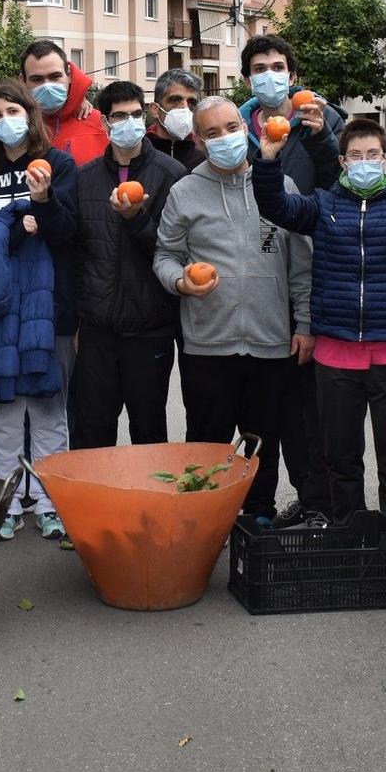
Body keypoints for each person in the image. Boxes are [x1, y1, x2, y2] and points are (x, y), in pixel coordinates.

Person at [254, 116, 386, 574]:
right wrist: (269, 159)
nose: (365, 163)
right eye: (355, 156)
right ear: (342, 162)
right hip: (336, 352)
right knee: (341, 456)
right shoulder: (322, 205)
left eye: (373, 154)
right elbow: (275, 205)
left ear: (385, 157)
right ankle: (347, 535)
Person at [152, 96, 312, 524]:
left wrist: (305, 324)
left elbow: (301, 266)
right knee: (207, 440)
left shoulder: (281, 186)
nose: (224, 138)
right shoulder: (184, 191)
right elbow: (165, 255)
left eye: (230, 127)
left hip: (271, 339)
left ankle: (258, 512)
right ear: (199, 141)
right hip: (208, 342)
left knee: (262, 439)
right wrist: (180, 280)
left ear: (247, 128)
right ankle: (202, 518)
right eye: (212, 132)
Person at [0, 81, 81, 541]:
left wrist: (45, 203)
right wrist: (15, 228)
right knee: (6, 414)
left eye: (13, 110)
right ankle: (10, 501)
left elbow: (69, 232)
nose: (4, 120)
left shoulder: (58, 164)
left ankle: (51, 502)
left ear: (30, 115)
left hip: (48, 307)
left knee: (50, 411)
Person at [237, 35, 341, 526]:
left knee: (305, 410)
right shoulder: (234, 127)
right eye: (259, 67)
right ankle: (256, 506)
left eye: (278, 65)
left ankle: (315, 502)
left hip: (307, 277)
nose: (269, 74)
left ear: (293, 75)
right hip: (253, 282)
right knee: (259, 407)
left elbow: (336, 189)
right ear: (247, 78)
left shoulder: (321, 120)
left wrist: (321, 137)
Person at [72, 80, 186, 448]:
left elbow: (175, 251)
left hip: (149, 325)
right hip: (97, 329)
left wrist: (136, 219)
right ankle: (96, 506)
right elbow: (78, 252)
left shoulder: (171, 175)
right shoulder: (85, 179)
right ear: (105, 123)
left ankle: (149, 506)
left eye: (136, 114)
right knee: (93, 430)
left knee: (149, 429)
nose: (129, 122)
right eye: (119, 116)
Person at [20, 39, 110, 162]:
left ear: (69, 75)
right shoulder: (15, 129)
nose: (47, 86)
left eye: (55, 77)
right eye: (37, 79)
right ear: (22, 81)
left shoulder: (102, 124)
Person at [148, 68, 206, 171]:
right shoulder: (139, 152)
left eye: (191, 102)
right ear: (155, 109)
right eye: (175, 100)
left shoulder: (204, 156)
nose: (185, 108)